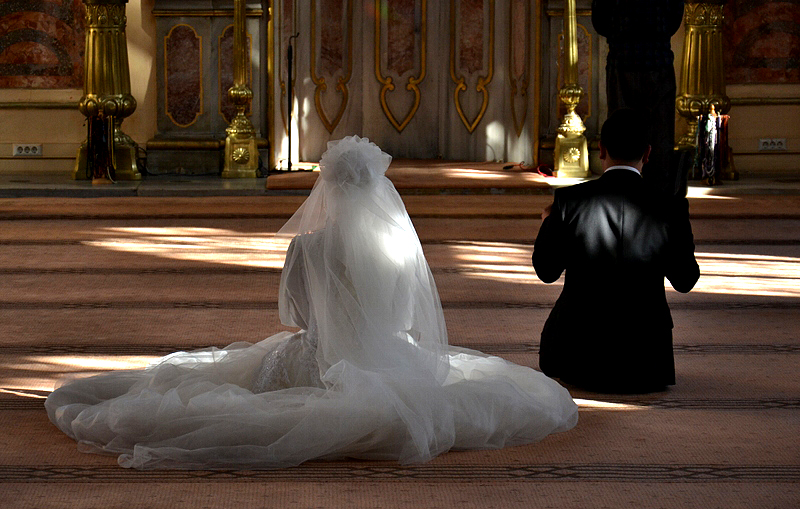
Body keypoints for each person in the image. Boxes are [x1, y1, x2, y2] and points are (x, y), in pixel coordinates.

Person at [46, 135, 578, 469]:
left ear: (327, 187)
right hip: (389, 357)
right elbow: (409, 315)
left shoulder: (307, 247)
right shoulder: (398, 246)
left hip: (321, 359)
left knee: (243, 383)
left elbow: (294, 316)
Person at [532, 109, 700, 393]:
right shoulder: (669, 207)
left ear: (601, 150)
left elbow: (546, 271)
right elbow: (685, 280)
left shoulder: (569, 201)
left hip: (577, 359)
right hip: (647, 363)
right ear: (647, 154)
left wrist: (550, 224)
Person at [592, 0, 685, 198]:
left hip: (623, 59)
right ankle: (659, 201)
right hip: (657, 60)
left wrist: (621, 34)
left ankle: (621, 197)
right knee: (660, 137)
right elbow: (675, 16)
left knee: (621, 136)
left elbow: (600, 20)